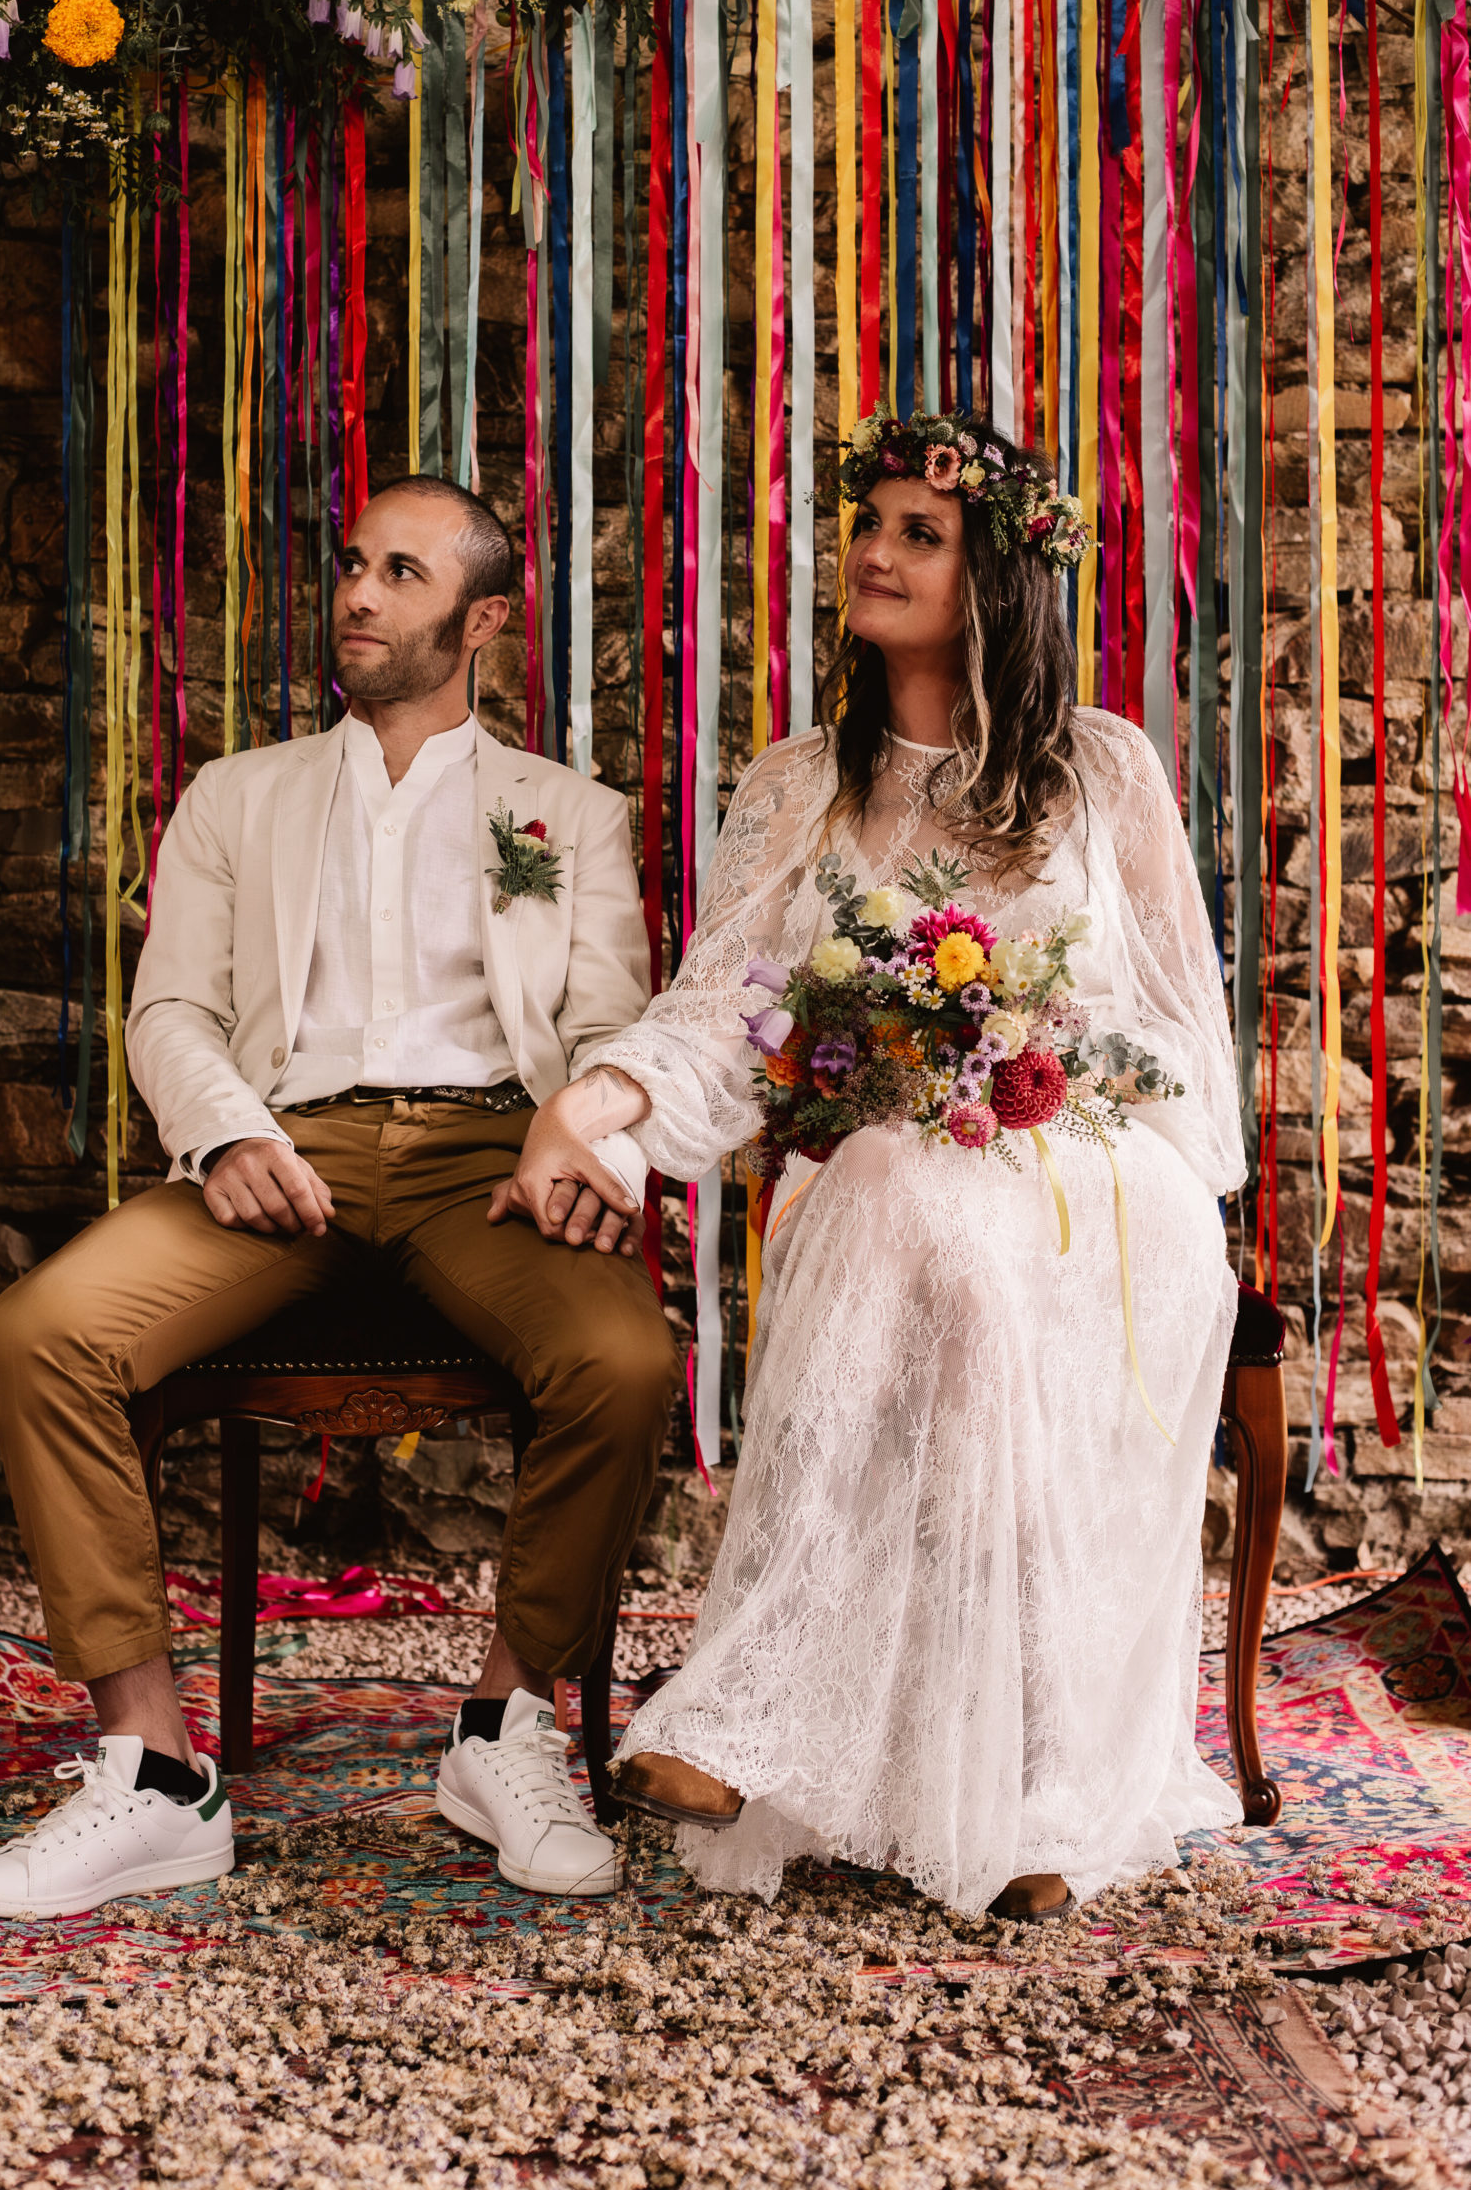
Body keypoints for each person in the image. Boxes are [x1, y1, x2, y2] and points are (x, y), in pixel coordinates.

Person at [492, 411, 1247, 1924]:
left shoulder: (1100, 770)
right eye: (867, 525)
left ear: (995, 574)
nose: (875, 553)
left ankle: (763, 1712)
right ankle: (1008, 1794)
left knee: (914, 1197)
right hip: (894, 1185)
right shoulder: (795, 788)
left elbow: (1184, 1032)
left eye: (920, 533)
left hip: (1099, 1181)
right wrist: (600, 1098)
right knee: (904, 1191)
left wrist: (1017, 1049)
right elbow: (721, 1006)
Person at [0, 475, 677, 1921]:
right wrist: (225, 1135)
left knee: (624, 1362)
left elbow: (611, 1029)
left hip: (491, 1160)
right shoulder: (238, 795)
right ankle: (154, 1774)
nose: (356, 593)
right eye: (352, 563)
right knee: (39, 1333)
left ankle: (503, 1729)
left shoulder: (570, 817)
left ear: (482, 621)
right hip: (282, 1152)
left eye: (401, 573)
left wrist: (596, 1151)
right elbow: (172, 1009)